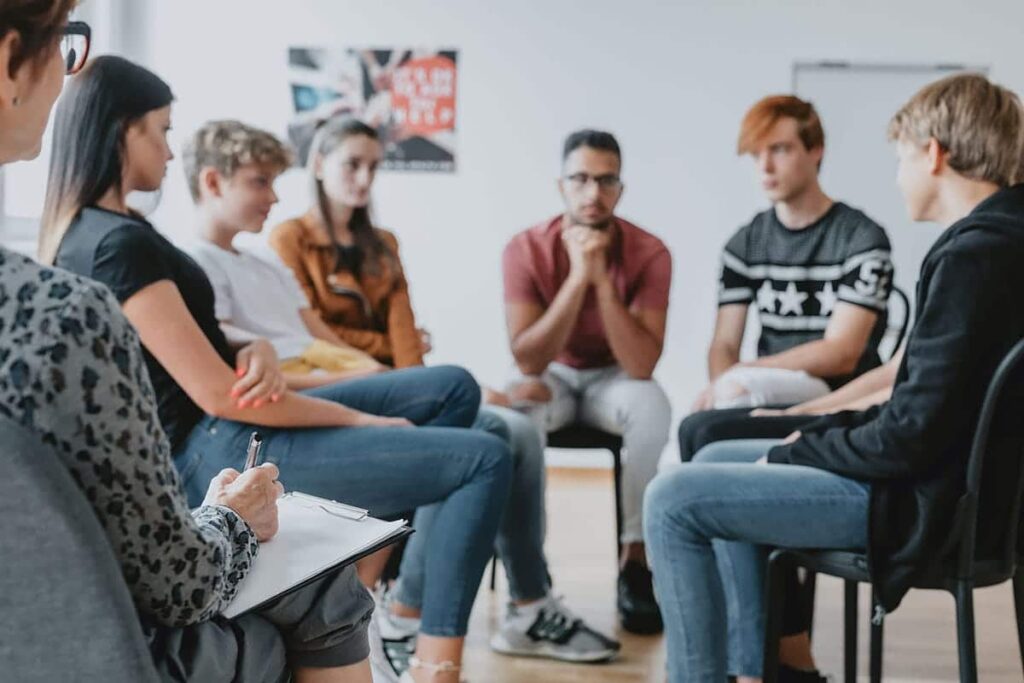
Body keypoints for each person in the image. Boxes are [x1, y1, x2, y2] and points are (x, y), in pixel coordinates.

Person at [42, 55, 511, 683]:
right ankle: (434, 663)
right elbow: (219, 396)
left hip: (225, 424)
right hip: (213, 446)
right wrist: (360, 419)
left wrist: (255, 348)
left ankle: (378, 585)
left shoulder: (115, 231)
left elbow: (195, 341)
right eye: (161, 130)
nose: (170, 151)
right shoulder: (111, 244)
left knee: (454, 387)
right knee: (485, 456)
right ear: (123, 131)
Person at [0, 4, 373, 681]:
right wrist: (232, 515)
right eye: (65, 43)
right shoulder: (60, 316)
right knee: (326, 584)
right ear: (8, 66)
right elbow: (179, 583)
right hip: (75, 651)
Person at [645, 73, 1024, 683]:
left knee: (672, 499)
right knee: (717, 451)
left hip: (924, 502)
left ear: (934, 154)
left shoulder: (972, 257)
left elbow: (911, 434)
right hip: (963, 491)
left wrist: (809, 446)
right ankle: (754, 671)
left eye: (901, 158)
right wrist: (812, 433)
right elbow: (923, 400)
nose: (898, 175)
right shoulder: (1003, 240)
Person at [268, 117, 619, 673]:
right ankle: (405, 613)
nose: (363, 179)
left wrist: (422, 385)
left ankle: (528, 605)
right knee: (487, 436)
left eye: (373, 167)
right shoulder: (289, 239)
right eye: (351, 165)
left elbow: (407, 334)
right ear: (317, 166)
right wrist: (397, 367)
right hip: (336, 391)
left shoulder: (384, 245)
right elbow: (316, 340)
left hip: (398, 387)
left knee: (519, 428)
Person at [500, 128, 672, 633]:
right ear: (561, 185)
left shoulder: (650, 252)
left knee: (652, 406)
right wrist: (578, 276)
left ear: (620, 188)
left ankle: (635, 562)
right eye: (580, 179)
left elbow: (641, 365)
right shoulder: (525, 249)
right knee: (517, 413)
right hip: (549, 374)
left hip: (614, 377)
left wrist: (600, 278)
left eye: (606, 180)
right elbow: (528, 358)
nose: (593, 193)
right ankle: (529, 575)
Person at [683, 95, 894, 458]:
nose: (765, 166)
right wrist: (722, 382)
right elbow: (724, 344)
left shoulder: (862, 238)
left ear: (816, 151)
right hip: (769, 383)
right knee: (698, 425)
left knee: (732, 397)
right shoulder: (745, 242)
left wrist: (741, 374)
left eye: (779, 149)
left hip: (841, 391)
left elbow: (841, 353)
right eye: (756, 154)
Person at [182, 119, 384, 390]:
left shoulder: (266, 259)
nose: (274, 197)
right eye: (260, 182)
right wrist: (357, 378)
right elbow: (235, 365)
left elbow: (318, 333)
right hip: (301, 381)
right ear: (213, 183)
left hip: (327, 367)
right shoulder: (197, 263)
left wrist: (369, 366)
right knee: (450, 383)